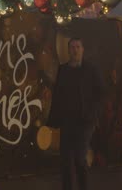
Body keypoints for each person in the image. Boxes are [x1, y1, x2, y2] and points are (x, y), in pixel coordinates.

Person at [47, 37, 103, 190]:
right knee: (65, 160)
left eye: (78, 47)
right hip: (67, 121)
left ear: (83, 49)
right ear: (68, 50)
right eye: (72, 47)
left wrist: (93, 113)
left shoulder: (91, 69)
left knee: (79, 158)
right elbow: (58, 95)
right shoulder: (63, 69)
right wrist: (53, 121)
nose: (75, 50)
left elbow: (100, 93)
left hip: (85, 122)